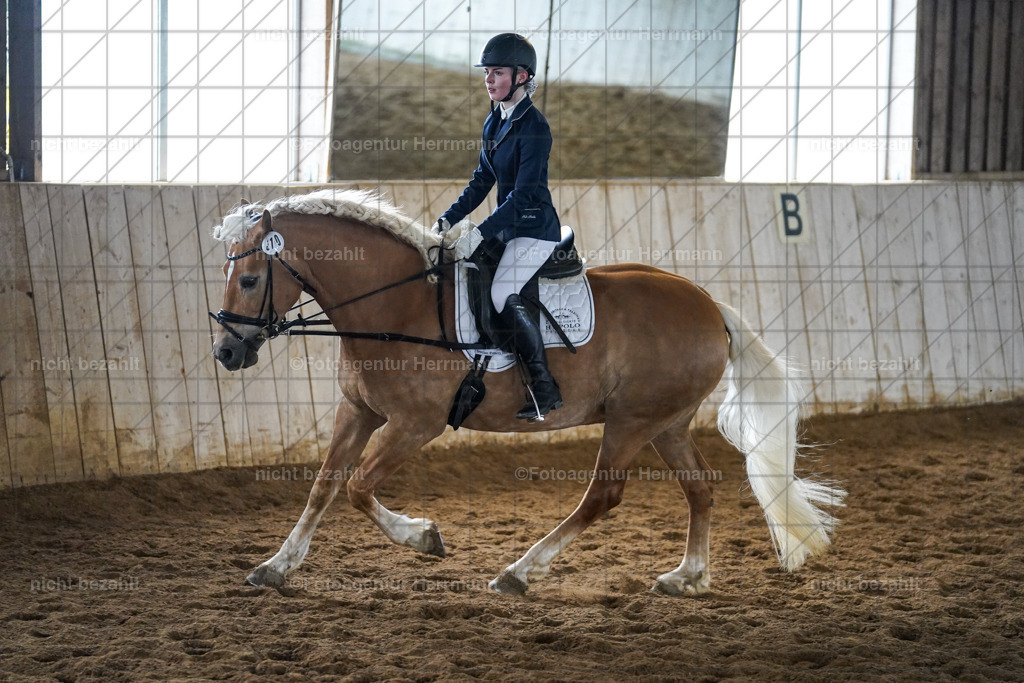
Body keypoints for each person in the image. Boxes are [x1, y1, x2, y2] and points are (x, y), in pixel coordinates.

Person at [435, 33, 562, 422]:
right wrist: (448, 218)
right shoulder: (494, 119)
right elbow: (481, 182)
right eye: (487, 73)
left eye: (498, 73)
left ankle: (544, 387)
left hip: (535, 227)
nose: (489, 80)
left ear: (522, 76)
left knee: (503, 290)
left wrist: (480, 232)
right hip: (508, 228)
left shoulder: (534, 127)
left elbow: (522, 197)